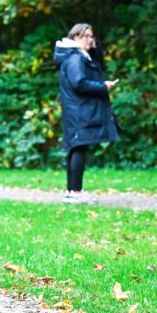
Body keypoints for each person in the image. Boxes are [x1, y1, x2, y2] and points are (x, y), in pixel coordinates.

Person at [53, 23, 120, 203]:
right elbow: (79, 83)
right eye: (87, 36)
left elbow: (97, 64)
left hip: (78, 110)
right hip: (79, 111)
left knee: (78, 148)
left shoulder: (78, 55)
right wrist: (103, 87)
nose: (91, 40)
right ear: (76, 38)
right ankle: (75, 193)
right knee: (79, 148)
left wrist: (93, 48)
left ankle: (72, 191)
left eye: (92, 36)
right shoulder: (75, 58)